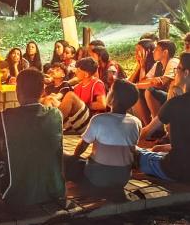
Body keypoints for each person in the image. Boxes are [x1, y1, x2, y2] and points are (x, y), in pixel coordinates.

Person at [0, 69, 65, 209]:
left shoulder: (4, 117)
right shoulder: (56, 114)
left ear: (17, 91)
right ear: (43, 91)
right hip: (54, 192)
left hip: (16, 195)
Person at [64, 79, 141, 189]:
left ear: (114, 98)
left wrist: (73, 159)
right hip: (122, 179)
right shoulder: (136, 122)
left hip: (96, 179)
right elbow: (133, 150)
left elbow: (82, 146)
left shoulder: (98, 119)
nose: (107, 92)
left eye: (109, 91)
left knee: (63, 156)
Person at [136, 53, 190, 182]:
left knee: (134, 154)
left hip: (176, 170)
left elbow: (146, 132)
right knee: (157, 149)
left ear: (186, 73)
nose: (176, 73)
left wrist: (126, 142)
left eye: (178, 69)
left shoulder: (176, 103)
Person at [133, 39, 179, 125]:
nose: (154, 51)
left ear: (165, 52)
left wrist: (135, 85)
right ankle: (148, 126)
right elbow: (142, 81)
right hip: (162, 94)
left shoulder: (173, 62)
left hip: (173, 98)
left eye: (157, 49)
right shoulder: (157, 64)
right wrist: (142, 68)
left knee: (149, 91)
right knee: (136, 92)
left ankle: (157, 127)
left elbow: (161, 83)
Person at [59, 57, 107, 134]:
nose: (75, 72)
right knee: (50, 99)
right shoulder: (78, 86)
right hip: (78, 120)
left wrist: (83, 104)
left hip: (91, 122)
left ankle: (53, 124)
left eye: (78, 70)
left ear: (86, 74)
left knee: (70, 95)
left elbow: (102, 104)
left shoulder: (97, 84)